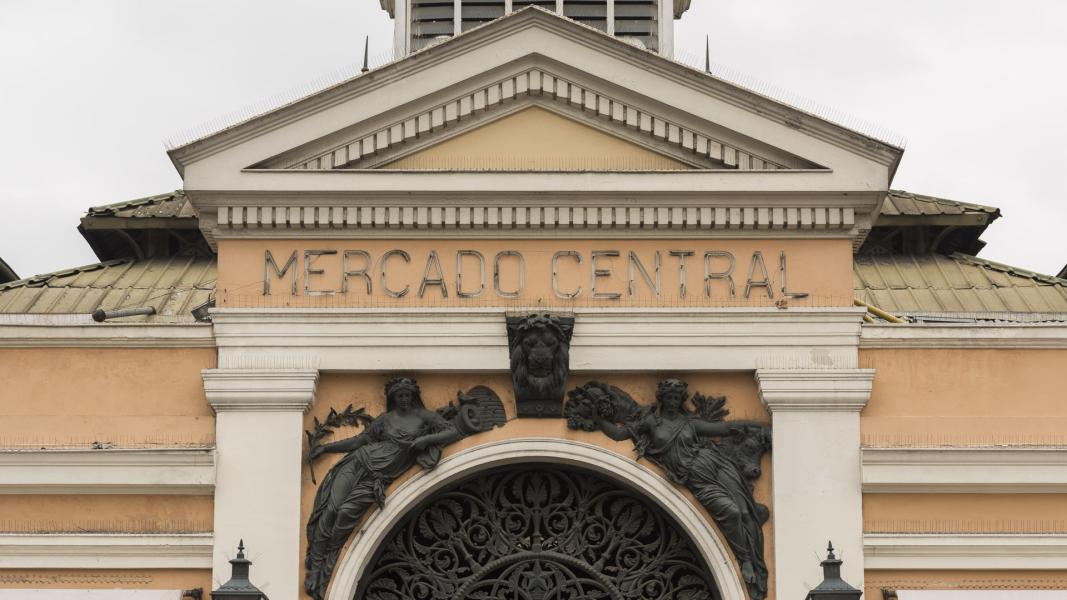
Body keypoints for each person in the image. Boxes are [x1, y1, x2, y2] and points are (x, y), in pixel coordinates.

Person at [593, 378, 769, 600]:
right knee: (732, 512)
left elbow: (722, 429)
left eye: (677, 398)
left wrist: (748, 427)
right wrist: (599, 418)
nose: (674, 401)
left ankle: (750, 560)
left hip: (718, 467)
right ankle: (745, 561)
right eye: (669, 397)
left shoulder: (689, 423)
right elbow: (619, 435)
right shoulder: (650, 423)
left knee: (745, 512)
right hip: (698, 481)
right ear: (662, 399)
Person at [304, 377, 459, 600]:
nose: (404, 399)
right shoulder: (385, 420)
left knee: (345, 513)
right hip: (356, 463)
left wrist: (426, 440)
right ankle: (316, 568)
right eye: (399, 396)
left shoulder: (424, 417)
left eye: (407, 395)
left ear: (413, 396)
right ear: (393, 398)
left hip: (376, 479)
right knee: (330, 510)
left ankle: (330, 560)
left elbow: (451, 432)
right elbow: (358, 442)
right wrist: (326, 448)